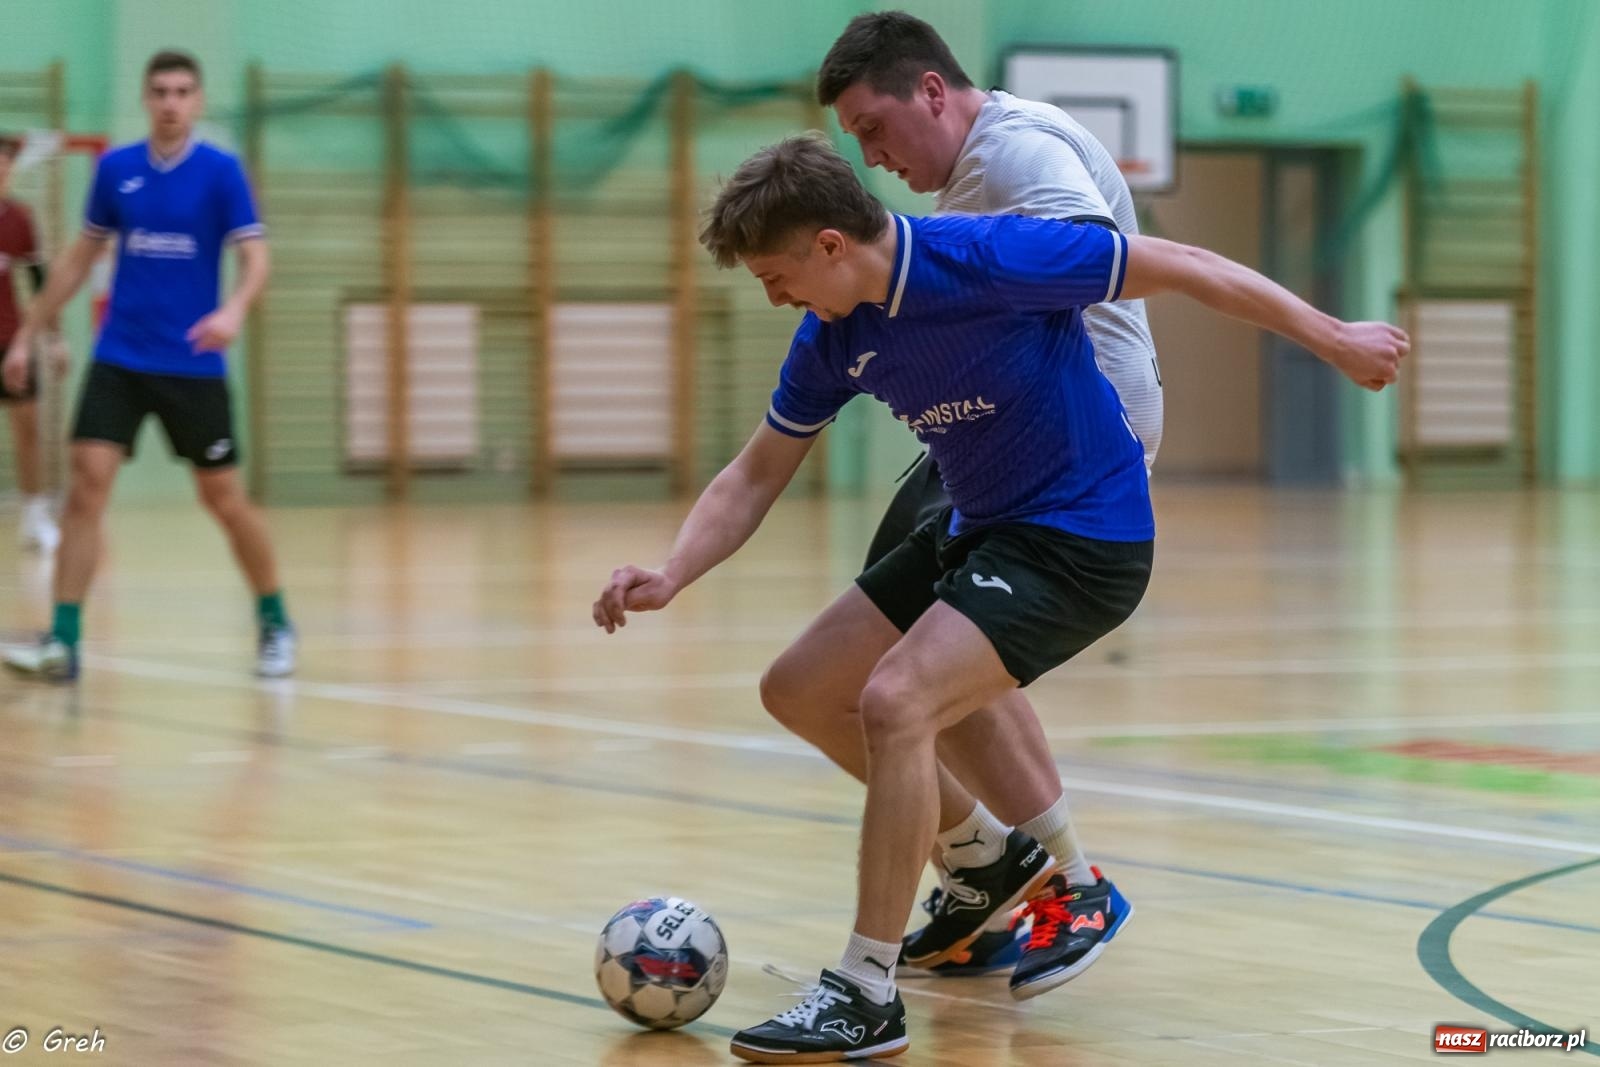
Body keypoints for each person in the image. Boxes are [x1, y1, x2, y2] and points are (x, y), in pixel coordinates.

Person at [594, 134, 1405, 1062]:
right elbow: (754, 474)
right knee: (802, 687)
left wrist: (1336, 338)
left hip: (1080, 537)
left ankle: (865, 990)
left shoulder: (993, 256)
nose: (775, 298)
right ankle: (985, 856)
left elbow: (1189, 264)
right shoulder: (833, 333)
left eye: (776, 277)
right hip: (978, 527)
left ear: (829, 245)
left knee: (897, 700)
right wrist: (673, 571)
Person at [803, 11, 1400, 981]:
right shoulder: (968, 173)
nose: (871, 157)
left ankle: (1060, 878)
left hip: (1072, 440)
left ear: (932, 92)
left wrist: (1331, 337)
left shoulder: (1018, 155)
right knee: (901, 661)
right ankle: (987, 867)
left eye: (874, 128)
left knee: (923, 665)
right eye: (855, 141)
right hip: (993, 427)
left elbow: (1129, 259)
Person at [2, 50, 295, 683]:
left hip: (193, 363)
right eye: (160, 91)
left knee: (223, 499)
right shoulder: (117, 169)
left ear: (198, 101)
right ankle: (64, 642)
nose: (170, 103)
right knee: (86, 487)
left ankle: (274, 619)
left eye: (182, 92)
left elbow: (257, 259)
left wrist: (234, 311)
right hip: (121, 357)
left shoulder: (221, 173)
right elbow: (78, 260)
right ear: (145, 98)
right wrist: (28, 332)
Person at [0, 134, 66, 552]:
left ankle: (35, 518)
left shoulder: (19, 219)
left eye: (4, 166)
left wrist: (55, 338)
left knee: (28, 428)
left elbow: (42, 283)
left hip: (10, 342)